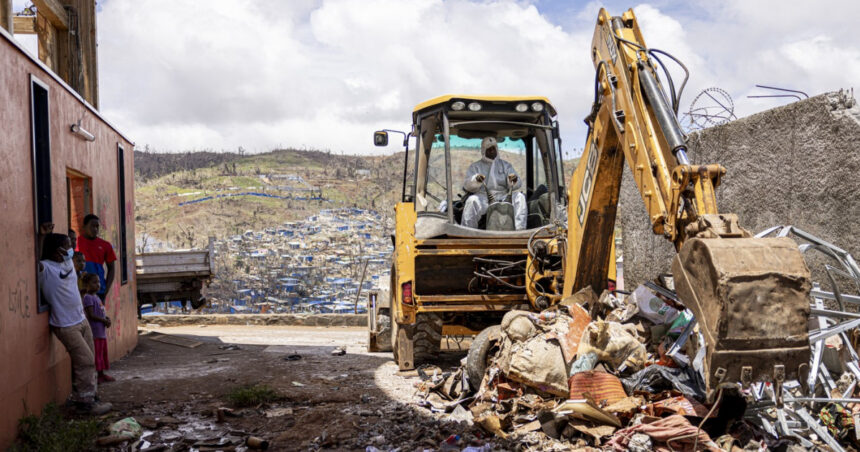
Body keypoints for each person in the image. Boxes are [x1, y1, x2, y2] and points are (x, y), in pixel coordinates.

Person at [37, 223, 111, 414]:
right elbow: (36, 258)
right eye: (67, 246)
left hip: (81, 320)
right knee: (85, 360)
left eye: (71, 245)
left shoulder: (67, 263)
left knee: (89, 359)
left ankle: (89, 395)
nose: (71, 250)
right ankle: (85, 405)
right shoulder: (46, 268)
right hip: (65, 324)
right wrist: (42, 237)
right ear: (55, 251)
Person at [461, 137, 527, 230]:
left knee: (520, 197)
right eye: (489, 149)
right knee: (472, 201)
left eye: (494, 148)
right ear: (484, 151)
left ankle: (520, 231)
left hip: (504, 196)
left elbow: (517, 183)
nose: (492, 151)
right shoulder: (475, 166)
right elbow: (467, 185)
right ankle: (468, 233)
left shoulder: (506, 165)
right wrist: (476, 180)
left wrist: (513, 180)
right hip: (484, 198)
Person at [81, 273, 114, 383]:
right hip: (95, 332)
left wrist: (106, 319)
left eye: (98, 282)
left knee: (102, 353)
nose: (98, 285)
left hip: (101, 331)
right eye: (94, 282)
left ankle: (101, 374)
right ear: (86, 284)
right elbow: (91, 315)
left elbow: (100, 313)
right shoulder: (88, 298)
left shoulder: (97, 297)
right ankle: (97, 376)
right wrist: (104, 320)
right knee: (97, 354)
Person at [76, 214, 117, 302]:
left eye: (97, 226)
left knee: (98, 314)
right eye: (92, 226)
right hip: (79, 290)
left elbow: (112, 269)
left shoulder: (106, 245)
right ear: (84, 227)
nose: (95, 229)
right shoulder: (76, 242)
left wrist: (106, 290)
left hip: (98, 290)